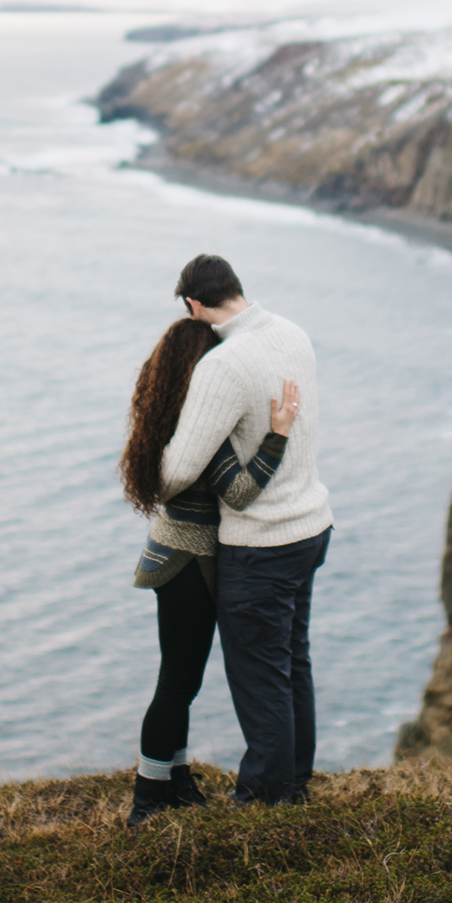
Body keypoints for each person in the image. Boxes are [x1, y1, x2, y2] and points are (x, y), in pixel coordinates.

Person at [156, 254, 332, 807]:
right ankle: (295, 781)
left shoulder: (223, 365)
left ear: (194, 306)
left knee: (259, 676)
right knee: (290, 661)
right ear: (236, 288)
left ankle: (266, 797)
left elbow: (179, 469)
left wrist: (150, 469)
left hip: (263, 543)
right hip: (310, 526)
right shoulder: (292, 333)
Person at [117, 316, 300, 827]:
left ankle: (173, 780)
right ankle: (148, 797)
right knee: (177, 685)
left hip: (170, 551)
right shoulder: (204, 431)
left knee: (178, 680)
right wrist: (277, 437)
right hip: (188, 560)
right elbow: (239, 493)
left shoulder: (163, 413)